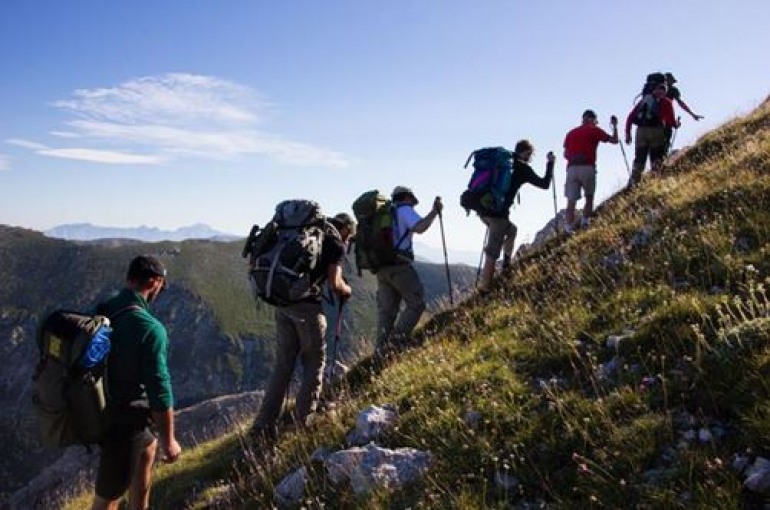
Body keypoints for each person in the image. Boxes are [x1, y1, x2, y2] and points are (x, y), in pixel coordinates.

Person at [251, 212, 354, 438]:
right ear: (346, 229)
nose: (348, 241)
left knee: (283, 365)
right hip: (306, 308)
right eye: (350, 236)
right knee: (314, 361)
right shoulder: (336, 243)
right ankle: (302, 422)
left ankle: (262, 424)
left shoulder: (303, 234)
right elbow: (335, 284)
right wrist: (348, 290)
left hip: (283, 303)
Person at [92, 255, 181, 510]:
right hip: (123, 421)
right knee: (108, 498)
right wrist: (169, 440)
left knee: (147, 449)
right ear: (154, 282)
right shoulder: (150, 328)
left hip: (100, 409)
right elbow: (159, 389)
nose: (160, 292)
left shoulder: (104, 309)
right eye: (161, 287)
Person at [477, 140, 554, 292]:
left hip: (484, 209)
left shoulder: (502, 161)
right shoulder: (523, 168)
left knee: (512, 230)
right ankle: (485, 290)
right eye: (529, 155)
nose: (529, 158)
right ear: (526, 153)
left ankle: (506, 264)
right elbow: (545, 184)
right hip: (498, 215)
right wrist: (550, 164)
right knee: (492, 252)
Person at [375, 186, 442, 356]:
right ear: (407, 197)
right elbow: (420, 227)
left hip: (382, 267)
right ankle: (396, 343)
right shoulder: (404, 210)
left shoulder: (386, 213)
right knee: (416, 303)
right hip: (399, 266)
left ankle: (380, 350)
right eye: (412, 199)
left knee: (387, 311)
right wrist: (434, 212)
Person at [562, 110, 619, 234]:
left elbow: (565, 154)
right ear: (593, 119)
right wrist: (615, 126)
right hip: (587, 167)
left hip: (572, 169)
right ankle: (585, 222)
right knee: (589, 196)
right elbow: (614, 141)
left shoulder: (571, 133)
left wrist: (574, 158)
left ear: (583, 119)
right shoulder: (595, 130)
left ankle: (568, 228)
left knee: (571, 201)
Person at [625, 82, 679, 189]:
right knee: (656, 158)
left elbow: (630, 117)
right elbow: (671, 121)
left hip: (640, 132)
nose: (662, 91)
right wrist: (676, 124)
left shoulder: (644, 101)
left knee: (639, 158)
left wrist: (628, 134)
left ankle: (633, 184)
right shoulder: (666, 102)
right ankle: (655, 183)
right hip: (656, 131)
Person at [664, 72, 703, 151]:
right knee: (664, 143)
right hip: (667, 120)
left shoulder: (655, 90)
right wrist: (692, 114)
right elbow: (680, 103)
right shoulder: (673, 90)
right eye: (671, 80)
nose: (672, 83)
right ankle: (661, 160)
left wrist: (692, 114)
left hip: (654, 121)